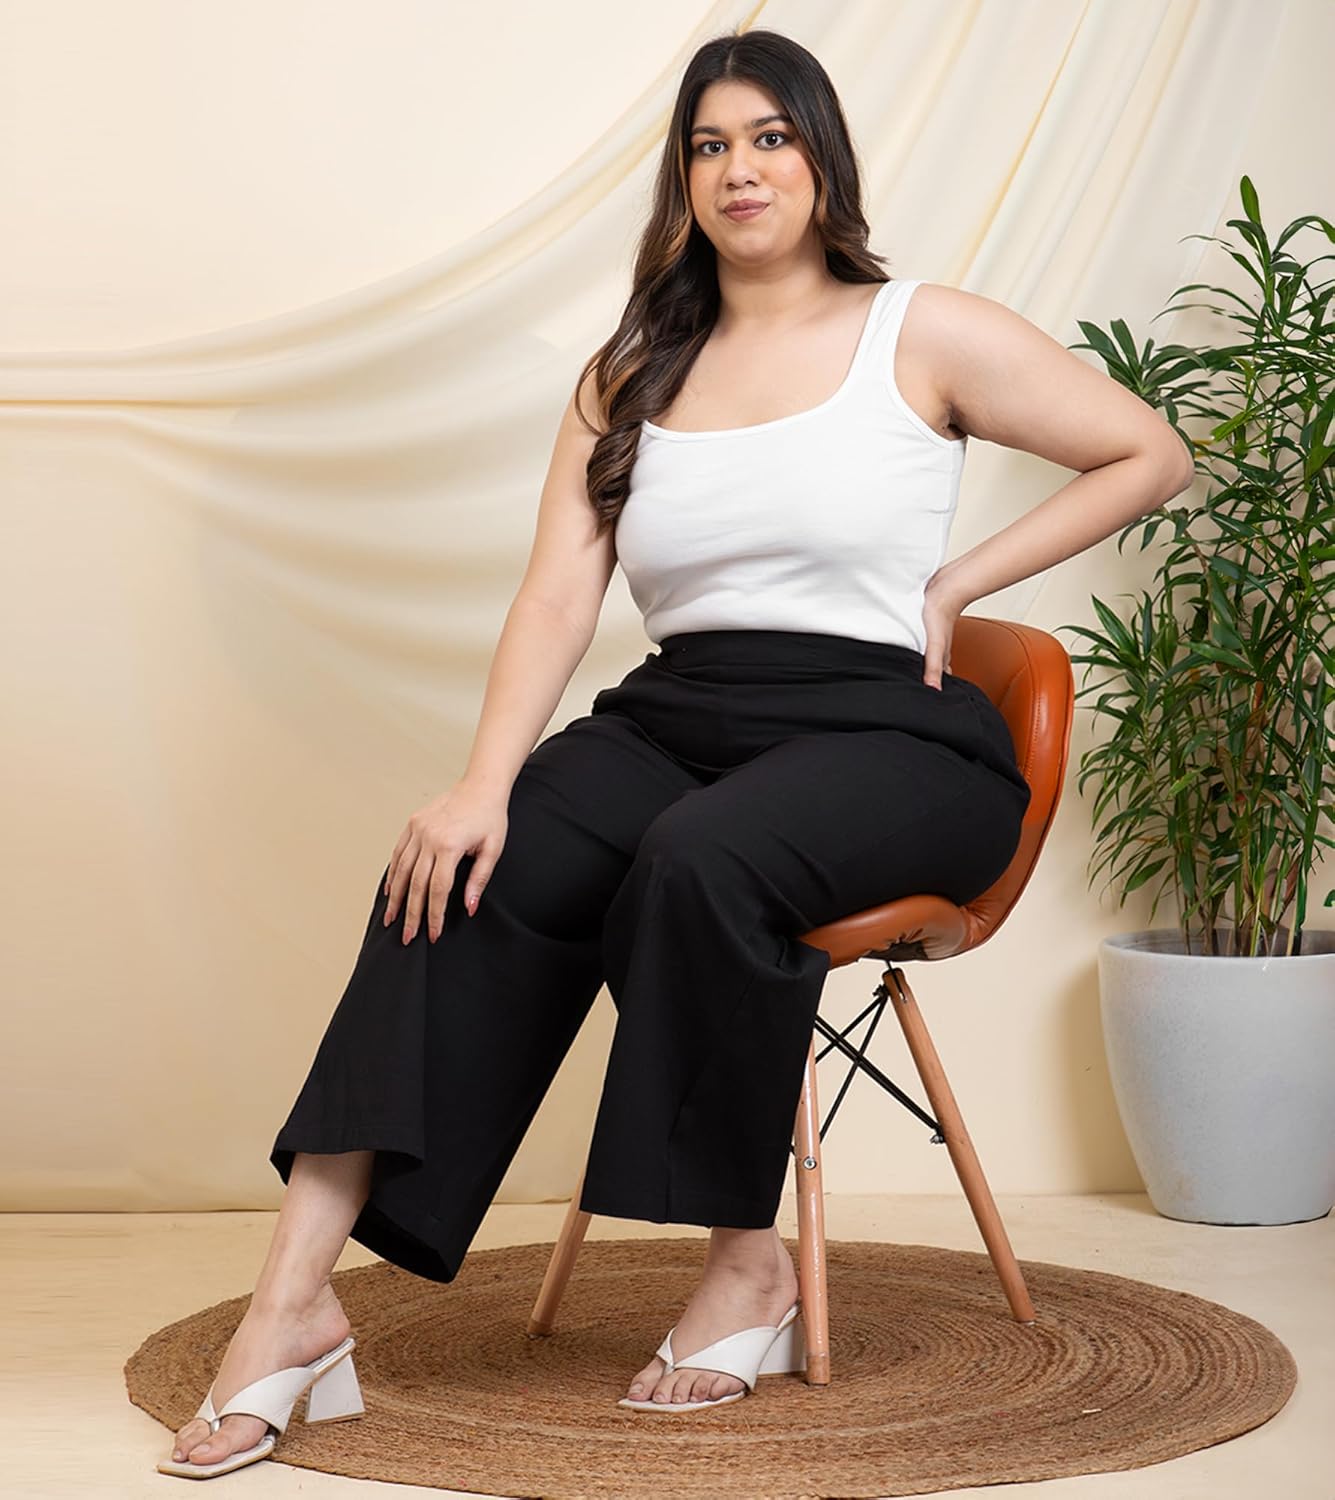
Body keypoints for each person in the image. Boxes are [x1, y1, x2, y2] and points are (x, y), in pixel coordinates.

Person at [161, 25, 1194, 1477]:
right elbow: (558, 593)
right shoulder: (633, 370)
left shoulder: (923, 332)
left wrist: (960, 584)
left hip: (893, 734)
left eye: (770, 137)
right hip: (681, 711)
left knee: (702, 858)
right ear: (683, 180)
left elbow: (1149, 452)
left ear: (822, 160)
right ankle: (294, 1306)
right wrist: (478, 786)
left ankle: (746, 1267)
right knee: (463, 869)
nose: (739, 169)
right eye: (711, 146)